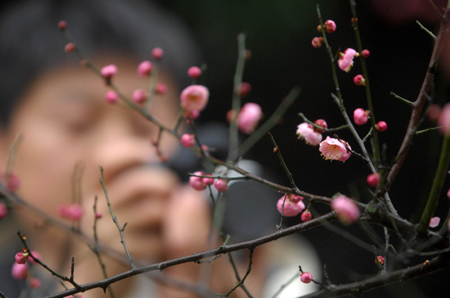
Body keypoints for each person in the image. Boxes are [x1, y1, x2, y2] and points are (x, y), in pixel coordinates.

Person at [0, 0, 321, 297]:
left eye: (146, 125)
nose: (121, 151)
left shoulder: (275, 270)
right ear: (4, 150)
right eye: (77, 123)